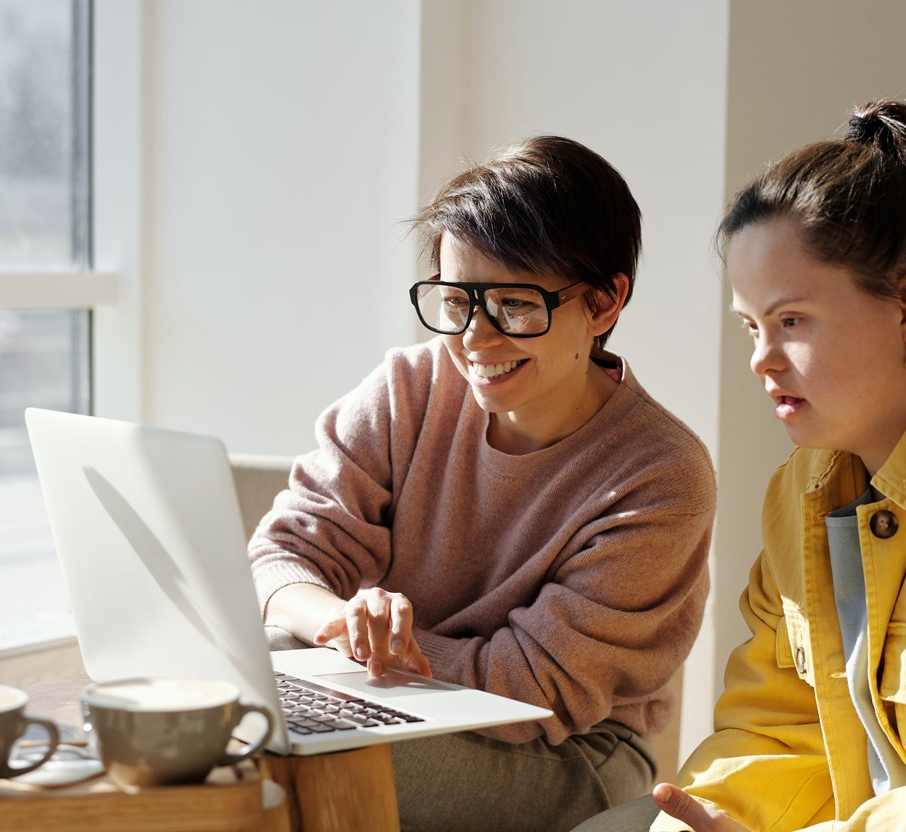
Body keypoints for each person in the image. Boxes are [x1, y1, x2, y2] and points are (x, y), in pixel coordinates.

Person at [575, 99, 906, 832]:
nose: (761, 358)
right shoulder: (804, 491)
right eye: (752, 327)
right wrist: (705, 817)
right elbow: (777, 731)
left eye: (791, 322)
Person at [247, 135, 716, 832]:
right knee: (241, 698)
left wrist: (401, 654)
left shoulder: (658, 475)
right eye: (456, 300)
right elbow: (283, 556)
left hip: (566, 752)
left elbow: (535, 689)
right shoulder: (409, 388)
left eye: (515, 306)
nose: (475, 339)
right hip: (393, 695)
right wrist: (341, 626)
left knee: (303, 754)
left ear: (605, 302)